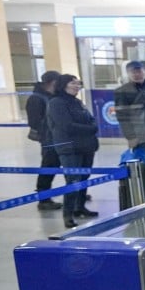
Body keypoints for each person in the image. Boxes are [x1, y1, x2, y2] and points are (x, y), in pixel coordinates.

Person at [46, 74, 100, 229]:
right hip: (70, 149)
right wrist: (90, 129)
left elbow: (91, 118)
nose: (77, 86)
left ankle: (80, 207)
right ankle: (68, 214)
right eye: (73, 83)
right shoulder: (56, 103)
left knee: (84, 177)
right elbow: (66, 126)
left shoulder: (77, 102)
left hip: (86, 147)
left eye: (78, 83)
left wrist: (91, 127)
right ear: (63, 85)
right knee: (73, 180)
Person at [113, 61, 145, 197]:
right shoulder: (122, 91)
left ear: (144, 71)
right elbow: (122, 116)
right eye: (133, 71)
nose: (137, 74)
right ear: (128, 73)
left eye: (139, 71)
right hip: (139, 136)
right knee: (142, 166)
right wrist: (130, 136)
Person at [26, 70, 63, 211]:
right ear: (53, 82)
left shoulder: (51, 96)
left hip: (59, 137)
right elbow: (35, 121)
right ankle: (44, 199)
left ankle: (74, 192)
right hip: (49, 140)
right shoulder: (37, 98)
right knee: (49, 167)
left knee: (65, 166)